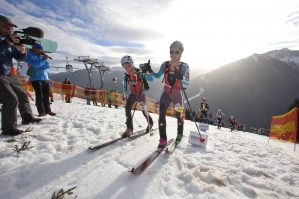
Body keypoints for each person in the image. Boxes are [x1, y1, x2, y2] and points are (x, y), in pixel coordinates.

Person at [0, 15, 41, 136]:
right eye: (7, 27)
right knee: (11, 98)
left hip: (9, 74)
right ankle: (8, 128)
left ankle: (28, 118)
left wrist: (22, 51)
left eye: (11, 28)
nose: (10, 30)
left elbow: (18, 57)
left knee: (22, 95)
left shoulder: (9, 41)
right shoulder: (5, 41)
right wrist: (7, 42)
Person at [149, 41, 189, 148]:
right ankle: (162, 139)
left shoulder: (185, 66)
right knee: (161, 114)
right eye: (172, 52)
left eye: (177, 52)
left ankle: (179, 134)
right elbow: (157, 76)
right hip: (166, 93)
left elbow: (186, 84)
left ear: (181, 53)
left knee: (179, 115)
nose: (174, 54)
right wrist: (149, 70)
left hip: (177, 95)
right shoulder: (165, 64)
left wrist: (181, 78)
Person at [121, 55, 153, 138]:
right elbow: (124, 87)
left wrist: (145, 72)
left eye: (128, 65)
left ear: (132, 63)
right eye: (124, 66)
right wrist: (124, 96)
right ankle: (129, 128)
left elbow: (150, 79)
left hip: (141, 94)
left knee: (143, 110)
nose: (127, 67)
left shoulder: (139, 72)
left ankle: (150, 122)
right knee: (127, 108)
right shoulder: (125, 76)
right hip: (133, 94)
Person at [26, 44, 56, 117]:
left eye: (41, 49)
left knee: (46, 94)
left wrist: (41, 63)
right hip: (36, 78)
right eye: (39, 49)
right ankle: (41, 111)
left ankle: (48, 110)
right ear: (35, 49)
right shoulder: (30, 55)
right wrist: (43, 61)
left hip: (45, 77)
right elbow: (35, 64)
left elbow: (47, 65)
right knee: (39, 95)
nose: (41, 51)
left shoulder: (41, 56)